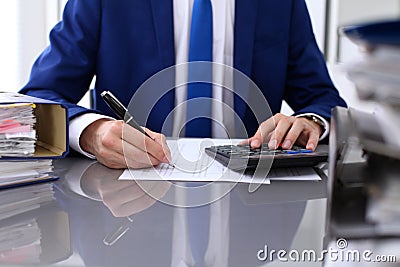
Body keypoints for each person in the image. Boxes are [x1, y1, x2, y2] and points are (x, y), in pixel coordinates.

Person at [20, 0, 347, 169]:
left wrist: (309, 122)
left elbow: (323, 101)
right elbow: (37, 100)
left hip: (251, 201)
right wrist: (91, 133)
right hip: (122, 205)